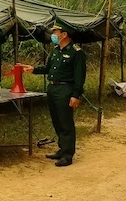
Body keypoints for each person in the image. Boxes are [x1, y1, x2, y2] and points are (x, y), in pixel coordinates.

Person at [20, 21, 86, 167]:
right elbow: (49, 68)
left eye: (56, 32)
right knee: (56, 120)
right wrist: (34, 69)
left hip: (65, 90)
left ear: (64, 34)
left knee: (65, 122)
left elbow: (79, 77)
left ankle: (68, 155)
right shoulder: (56, 50)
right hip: (52, 88)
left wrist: (76, 95)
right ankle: (62, 149)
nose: (53, 35)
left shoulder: (76, 52)